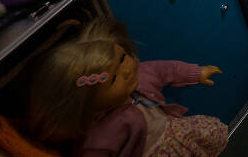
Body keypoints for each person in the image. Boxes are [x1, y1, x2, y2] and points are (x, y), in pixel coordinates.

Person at [24, 18, 226, 156]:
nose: (127, 70)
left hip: (178, 132)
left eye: (122, 58)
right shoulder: (101, 134)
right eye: (112, 79)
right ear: (85, 101)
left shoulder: (141, 73)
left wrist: (196, 72)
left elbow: (166, 70)